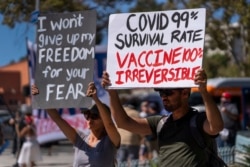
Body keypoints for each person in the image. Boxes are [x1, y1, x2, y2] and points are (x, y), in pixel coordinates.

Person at [102, 69, 224, 166]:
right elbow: (123, 123)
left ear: (185, 93)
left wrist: (203, 91)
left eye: (169, 92)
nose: (164, 97)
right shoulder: (160, 123)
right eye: (161, 93)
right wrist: (112, 92)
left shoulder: (197, 120)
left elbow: (216, 127)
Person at [31, 82, 120, 167]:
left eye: (94, 116)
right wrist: (41, 98)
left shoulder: (110, 141)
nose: (90, 119)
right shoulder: (80, 139)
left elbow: (109, 124)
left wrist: (96, 99)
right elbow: (57, 119)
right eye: (87, 115)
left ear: (104, 119)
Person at [116, 94, 142, 166]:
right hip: (132, 140)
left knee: (121, 159)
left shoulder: (120, 112)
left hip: (121, 140)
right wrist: (141, 138)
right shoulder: (135, 113)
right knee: (134, 160)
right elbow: (140, 127)